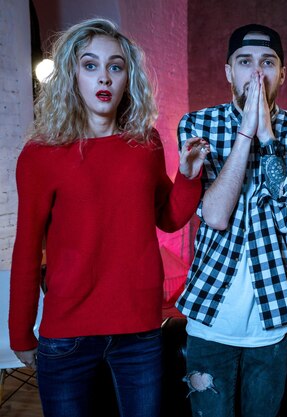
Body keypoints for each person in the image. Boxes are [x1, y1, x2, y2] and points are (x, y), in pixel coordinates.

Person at [9, 18, 207, 417]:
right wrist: (20, 331)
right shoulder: (41, 154)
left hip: (139, 331)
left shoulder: (144, 142)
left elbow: (167, 218)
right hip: (67, 335)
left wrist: (187, 177)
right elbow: (27, 248)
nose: (104, 77)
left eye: (115, 67)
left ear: (127, 77)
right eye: (90, 65)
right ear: (72, 74)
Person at [175, 24, 287, 417]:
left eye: (267, 63)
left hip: (272, 320)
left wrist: (269, 137)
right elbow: (217, 216)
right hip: (209, 315)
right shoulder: (197, 125)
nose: (257, 74)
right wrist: (245, 133)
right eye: (245, 62)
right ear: (228, 72)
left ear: (282, 74)